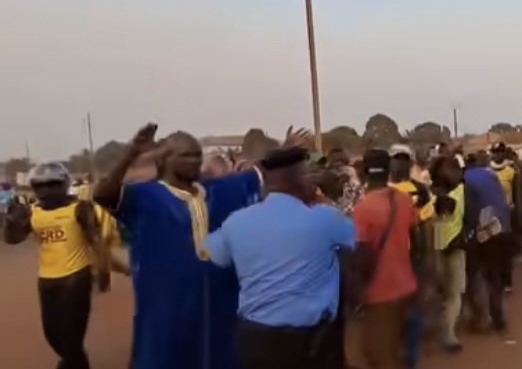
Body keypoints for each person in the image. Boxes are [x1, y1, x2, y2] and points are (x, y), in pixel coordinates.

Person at [92, 123, 311, 369]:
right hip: (166, 314)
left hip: (220, 313)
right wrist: (129, 156)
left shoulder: (220, 192)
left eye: (198, 155)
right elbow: (102, 195)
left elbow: (260, 170)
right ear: (163, 160)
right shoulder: (143, 196)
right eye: (186, 155)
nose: (195, 160)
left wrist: (285, 149)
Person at [205, 147, 355, 369]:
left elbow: (212, 256)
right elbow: (359, 249)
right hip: (310, 343)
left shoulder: (236, 222)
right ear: (302, 180)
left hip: (255, 341)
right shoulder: (326, 218)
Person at [2, 162, 109, 369]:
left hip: (75, 278)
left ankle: (72, 364)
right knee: (52, 334)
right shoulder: (32, 212)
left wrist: (103, 271)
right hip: (47, 280)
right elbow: (13, 239)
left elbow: (96, 241)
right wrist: (10, 222)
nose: (46, 191)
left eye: (52, 185)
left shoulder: (79, 208)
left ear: (64, 184)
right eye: (40, 186)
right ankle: (76, 364)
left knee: (71, 338)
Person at [348, 149, 420, 369]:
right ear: (388, 171)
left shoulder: (362, 209)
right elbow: (416, 238)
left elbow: (361, 254)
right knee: (391, 348)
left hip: (380, 292)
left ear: (363, 173)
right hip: (406, 284)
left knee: (379, 355)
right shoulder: (404, 199)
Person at [387, 144, 435, 369]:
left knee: (414, 309)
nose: (400, 163)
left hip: (413, 256)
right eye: (396, 158)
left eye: (404, 159)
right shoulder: (380, 189)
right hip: (387, 260)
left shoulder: (421, 189)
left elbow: (425, 225)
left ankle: (411, 358)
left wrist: (427, 257)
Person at [463, 153, 515, 337]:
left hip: (483, 231)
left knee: (475, 276)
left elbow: (470, 211)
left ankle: (480, 319)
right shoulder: (491, 175)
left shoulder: (465, 181)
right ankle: (498, 317)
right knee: (495, 278)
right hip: (502, 227)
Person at [430, 155, 468, 353]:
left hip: (435, 246)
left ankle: (445, 330)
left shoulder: (428, 193)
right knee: (454, 293)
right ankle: (449, 334)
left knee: (443, 291)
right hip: (454, 246)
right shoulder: (462, 191)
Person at [489, 142, 522, 291]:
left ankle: (507, 281)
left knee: (506, 249)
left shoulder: (511, 171)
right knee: (491, 249)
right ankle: (494, 279)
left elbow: (518, 194)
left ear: (504, 153)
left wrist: (519, 212)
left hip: (507, 214)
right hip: (490, 214)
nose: (497, 154)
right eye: (495, 152)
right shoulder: (487, 171)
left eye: (500, 152)